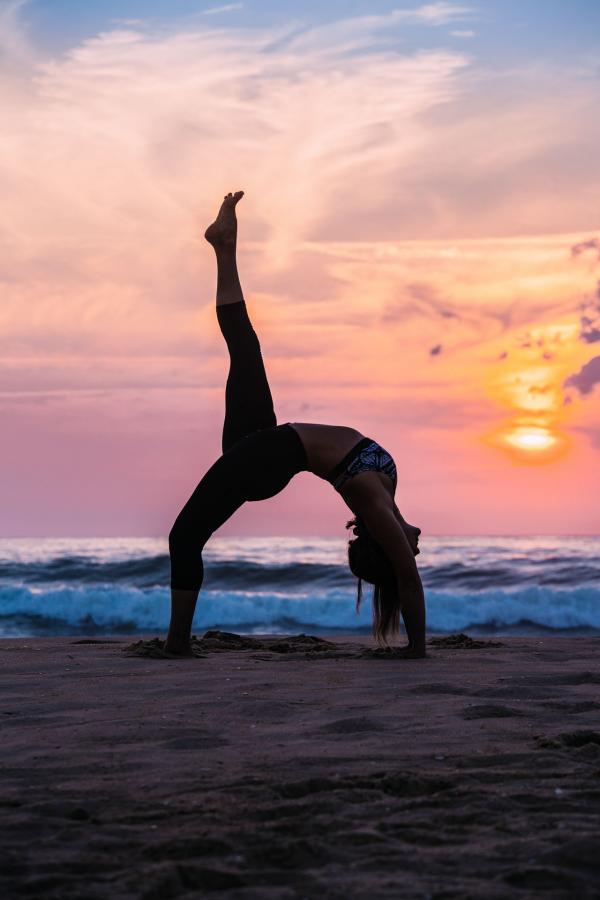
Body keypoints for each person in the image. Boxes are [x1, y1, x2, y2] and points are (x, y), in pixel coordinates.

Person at [166, 191, 426, 658]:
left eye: (410, 547)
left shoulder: (376, 505)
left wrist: (418, 648)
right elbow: (405, 564)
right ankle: (224, 247)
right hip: (269, 448)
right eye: (416, 548)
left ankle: (175, 645)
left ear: (384, 544)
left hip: (270, 458)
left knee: (183, 538)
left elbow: (407, 577)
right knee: (245, 349)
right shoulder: (387, 492)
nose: (419, 547)